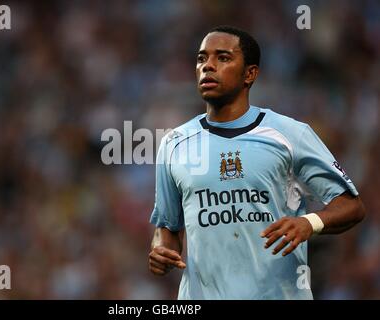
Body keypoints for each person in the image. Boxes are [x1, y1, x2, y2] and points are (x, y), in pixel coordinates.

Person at [148, 25, 365, 299]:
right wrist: (161, 250)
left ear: (249, 74)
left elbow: (352, 206)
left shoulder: (289, 134)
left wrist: (310, 222)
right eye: (202, 58)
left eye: (223, 58)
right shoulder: (174, 143)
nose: (209, 66)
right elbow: (167, 227)